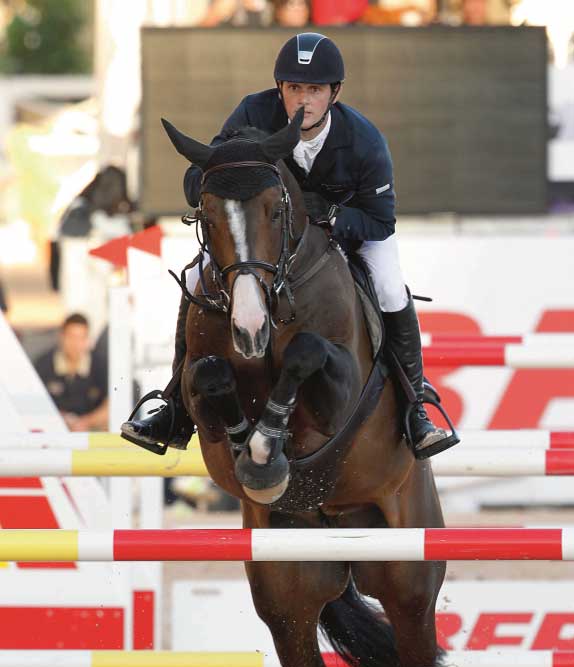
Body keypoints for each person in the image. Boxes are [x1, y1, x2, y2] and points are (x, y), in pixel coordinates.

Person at [123, 32, 456, 460]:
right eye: (294, 88)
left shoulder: (363, 141)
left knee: (391, 286)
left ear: (334, 92)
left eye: (314, 89)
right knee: (194, 273)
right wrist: (208, 179)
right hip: (269, 236)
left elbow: (380, 220)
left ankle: (414, 407)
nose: (303, 100)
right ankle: (173, 408)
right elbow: (213, 167)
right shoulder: (254, 111)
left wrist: (332, 215)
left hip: (348, 233)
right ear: (279, 87)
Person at [35, 313, 108, 431]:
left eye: (81, 338)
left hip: (93, 433)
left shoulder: (100, 365)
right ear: (61, 336)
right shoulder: (43, 365)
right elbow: (35, 403)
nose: (76, 344)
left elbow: (111, 404)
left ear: (87, 339)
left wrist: (86, 422)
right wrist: (61, 419)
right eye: (71, 337)